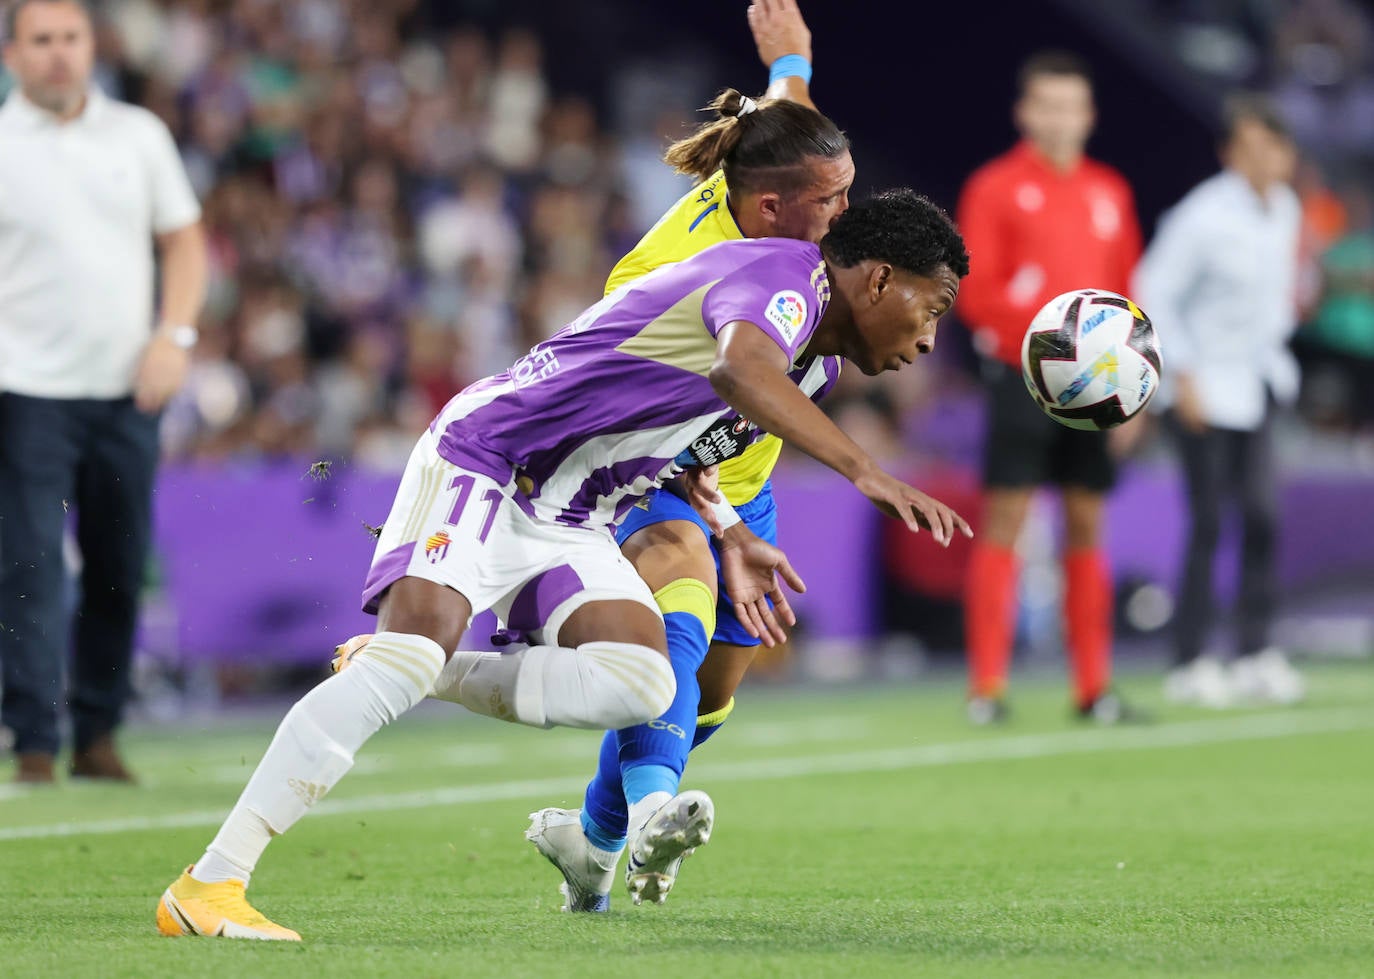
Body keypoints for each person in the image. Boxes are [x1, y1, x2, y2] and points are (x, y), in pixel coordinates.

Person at [156, 188, 973, 941]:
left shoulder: (816, 362)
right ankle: (210, 882)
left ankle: (427, 671)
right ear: (878, 279)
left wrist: (728, 525)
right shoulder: (784, 279)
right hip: (494, 459)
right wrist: (866, 469)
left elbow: (689, 450)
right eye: (931, 308)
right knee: (409, 652)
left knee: (641, 682)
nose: (931, 337)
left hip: (576, 508)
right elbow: (738, 370)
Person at [336, 0, 856, 911]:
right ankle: (654, 812)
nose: (843, 214)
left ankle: (592, 837)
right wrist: (734, 518)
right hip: (647, 468)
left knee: (708, 701)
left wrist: (791, 65)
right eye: (832, 202)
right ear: (770, 205)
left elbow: (789, 133)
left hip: (743, 473)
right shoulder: (669, 280)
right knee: (681, 596)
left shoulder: (778, 194)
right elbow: (663, 424)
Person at [0, 0, 207, 784]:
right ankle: (30, 740)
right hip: (24, 388)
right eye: (41, 40)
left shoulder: (138, 136)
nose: (58, 54)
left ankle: (98, 730)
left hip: (127, 388)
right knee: (26, 564)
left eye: (70, 39)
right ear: (13, 55)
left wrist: (175, 336)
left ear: (92, 46)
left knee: (119, 562)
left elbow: (184, 241)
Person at [955, 50, 1143, 725]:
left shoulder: (1109, 192)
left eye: (1072, 105)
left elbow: (1129, 295)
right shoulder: (994, 187)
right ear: (1025, 112)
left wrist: (1133, 387)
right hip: (1022, 375)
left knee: (1087, 522)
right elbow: (975, 293)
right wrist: (1060, 337)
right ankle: (987, 686)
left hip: (1095, 387)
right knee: (1006, 518)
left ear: (1089, 115)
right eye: (1048, 104)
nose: (1061, 117)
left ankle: (1094, 688)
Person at [1134, 94, 1306, 709]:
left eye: (1272, 147)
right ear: (1229, 153)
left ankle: (1257, 651)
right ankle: (1190, 659)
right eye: (1248, 147)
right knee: (1208, 523)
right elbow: (1152, 288)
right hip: (1202, 389)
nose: (1261, 159)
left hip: (1258, 384)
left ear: (1287, 155)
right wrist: (1180, 376)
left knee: (1262, 518)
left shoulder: (1284, 208)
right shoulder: (1202, 215)